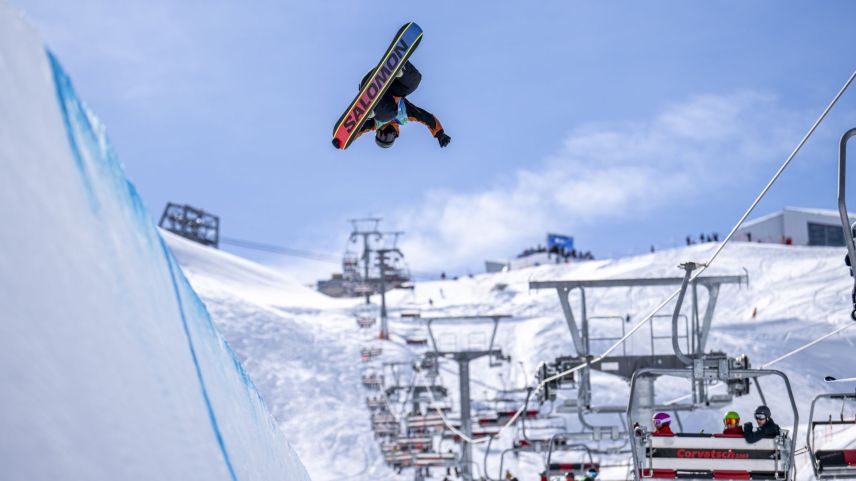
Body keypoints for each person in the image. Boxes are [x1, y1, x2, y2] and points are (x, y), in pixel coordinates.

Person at [350, 61, 450, 149]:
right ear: (395, 135)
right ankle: (400, 69)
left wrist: (344, 138)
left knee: (387, 115)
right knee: (414, 82)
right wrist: (440, 133)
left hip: (370, 85)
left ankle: (370, 107)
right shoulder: (404, 114)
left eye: (381, 135)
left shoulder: (373, 124)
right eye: (388, 137)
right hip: (387, 82)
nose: (385, 134)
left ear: (377, 132)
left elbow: (357, 131)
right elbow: (425, 117)